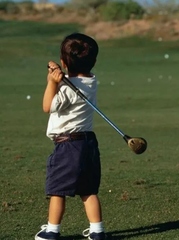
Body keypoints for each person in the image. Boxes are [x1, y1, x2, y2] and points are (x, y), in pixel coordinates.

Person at [35, 33, 106, 240]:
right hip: (88, 143)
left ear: (64, 62)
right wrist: (61, 73)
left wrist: (52, 82)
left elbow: (47, 106)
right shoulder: (91, 81)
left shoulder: (66, 89)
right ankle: (97, 232)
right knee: (88, 191)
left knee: (57, 190)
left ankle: (52, 231)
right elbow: (76, 76)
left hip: (67, 146)